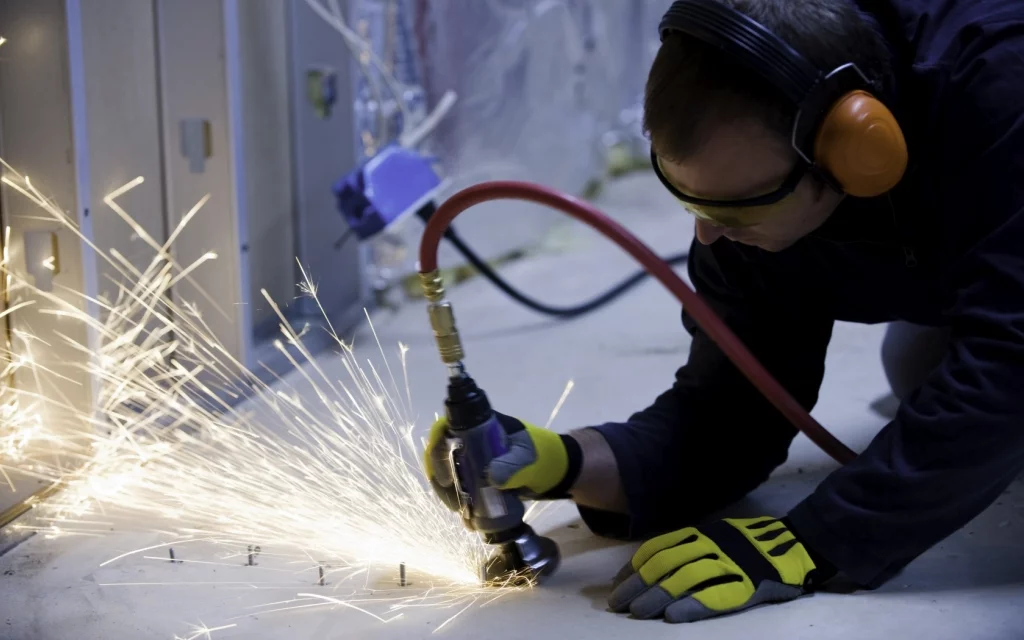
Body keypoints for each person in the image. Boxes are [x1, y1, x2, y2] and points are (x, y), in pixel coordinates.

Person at [424, 0, 1024, 623]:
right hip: (962, 262)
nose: (707, 238)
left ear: (857, 149)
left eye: (736, 208)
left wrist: (821, 539)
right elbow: (733, 412)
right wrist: (570, 461)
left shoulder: (995, 90)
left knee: (968, 386)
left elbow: (1009, 358)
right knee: (920, 370)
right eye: (690, 199)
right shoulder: (756, 198)